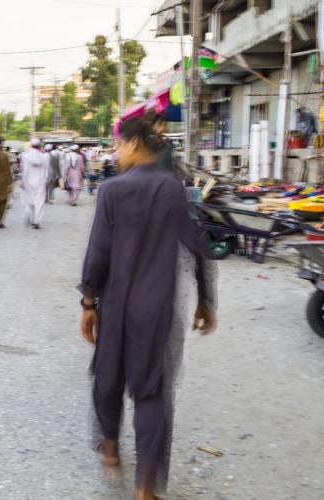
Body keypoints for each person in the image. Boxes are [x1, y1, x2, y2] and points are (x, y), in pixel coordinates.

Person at [79, 114, 218, 500]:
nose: (117, 154)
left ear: (135, 143)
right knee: (151, 393)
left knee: (107, 378)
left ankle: (109, 443)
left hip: (117, 305)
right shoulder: (172, 188)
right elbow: (198, 244)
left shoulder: (111, 191)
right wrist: (206, 300)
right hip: (156, 309)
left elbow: (98, 254)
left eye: (119, 145)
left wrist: (88, 301)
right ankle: (145, 487)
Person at [20, 139, 50, 229]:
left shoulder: (26, 156)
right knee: (39, 202)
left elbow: (25, 170)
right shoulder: (44, 156)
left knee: (30, 201)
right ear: (39, 146)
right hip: (40, 182)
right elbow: (46, 170)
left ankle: (32, 217)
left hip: (29, 181)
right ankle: (36, 220)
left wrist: (23, 181)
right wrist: (46, 181)